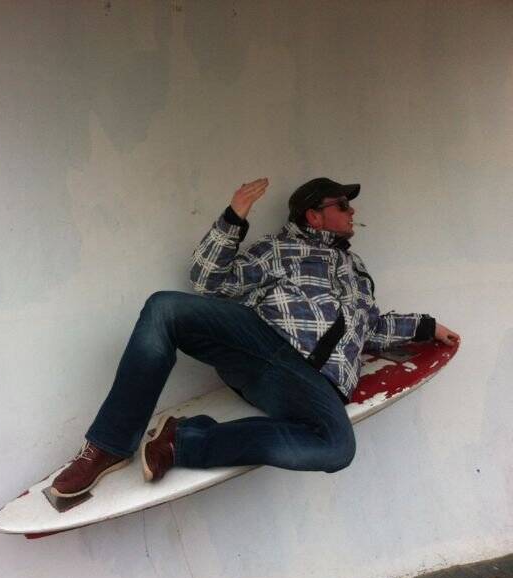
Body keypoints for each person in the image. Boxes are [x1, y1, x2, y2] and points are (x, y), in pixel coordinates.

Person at [51, 177, 460, 498]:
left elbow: (370, 327)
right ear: (314, 216)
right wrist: (234, 217)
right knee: (164, 308)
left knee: (337, 449)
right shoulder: (280, 248)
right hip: (260, 343)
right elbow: (207, 282)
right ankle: (108, 445)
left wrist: (427, 327)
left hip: (310, 382)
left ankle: (183, 442)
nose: (352, 211)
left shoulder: (356, 271)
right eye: (342, 204)